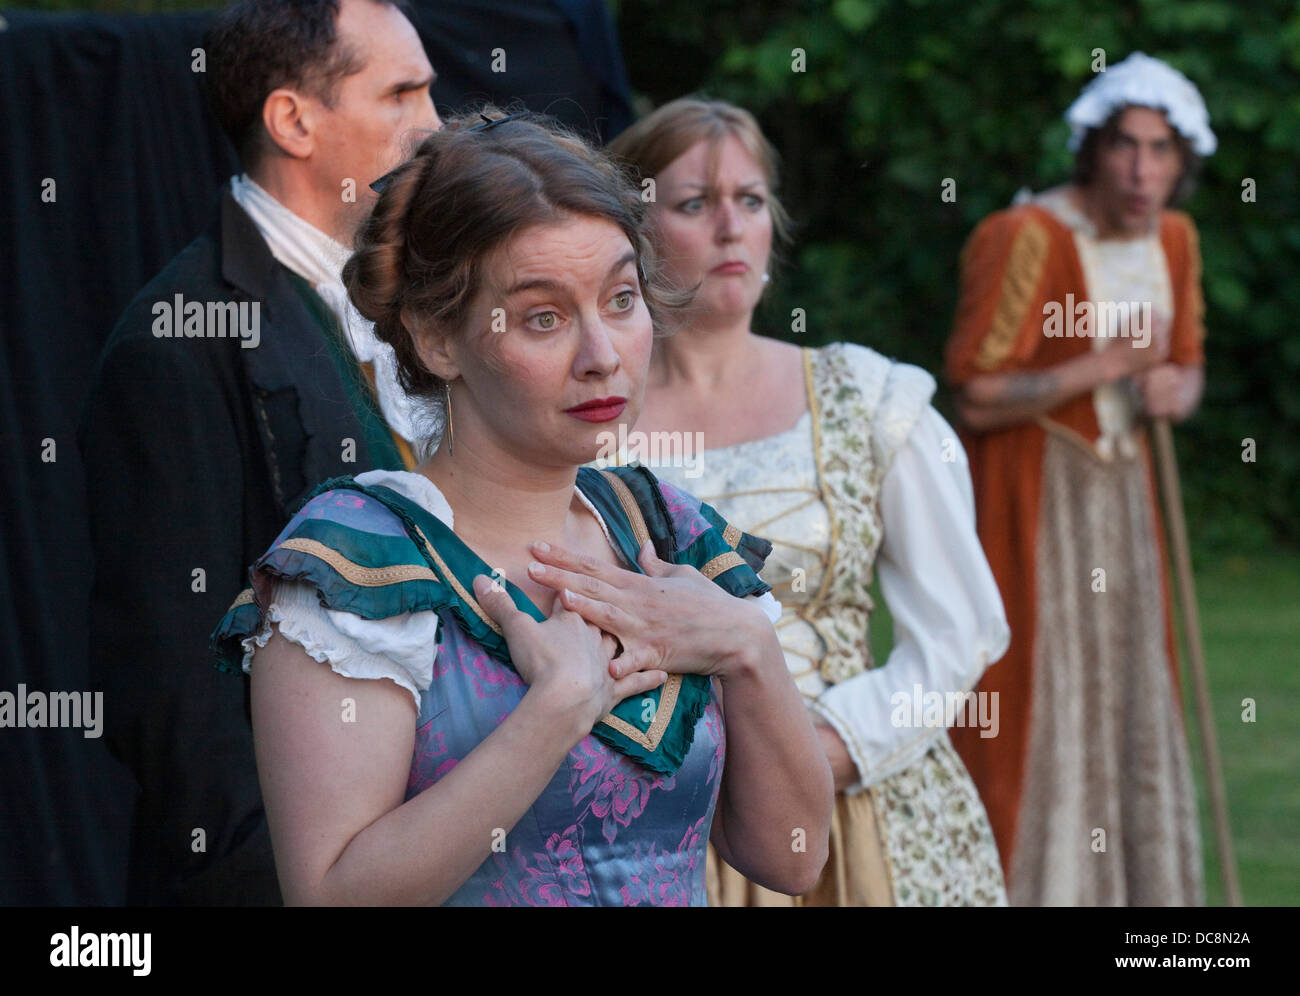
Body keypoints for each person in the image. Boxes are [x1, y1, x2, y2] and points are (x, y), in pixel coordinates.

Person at [210, 109, 834, 906]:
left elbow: (793, 859)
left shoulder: (669, 532)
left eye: (619, 299)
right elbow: (331, 898)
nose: (602, 356)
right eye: (543, 317)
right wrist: (552, 715)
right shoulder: (356, 567)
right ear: (438, 339)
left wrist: (748, 646)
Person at [606, 97, 1011, 906]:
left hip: (859, 811)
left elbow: (960, 630)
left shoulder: (868, 397)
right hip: (659, 822)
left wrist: (822, 751)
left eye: (750, 201)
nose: (731, 226)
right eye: (694, 203)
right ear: (634, 236)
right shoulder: (588, 418)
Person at [79, 0, 439, 905]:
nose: (433, 124)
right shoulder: (175, 341)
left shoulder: (429, 300)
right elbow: (173, 691)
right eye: (401, 93)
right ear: (292, 122)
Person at [943, 52, 1212, 905]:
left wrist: (1176, 387)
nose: (1143, 170)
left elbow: (1188, 366)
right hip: (1040, 497)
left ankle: (1139, 901)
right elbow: (978, 393)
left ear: (1182, 162)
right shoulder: (1023, 236)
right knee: (1038, 693)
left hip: (1127, 497)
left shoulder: (1175, 238)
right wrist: (1106, 363)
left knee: (1129, 689)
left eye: (1162, 151)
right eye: (1127, 147)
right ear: (1092, 149)